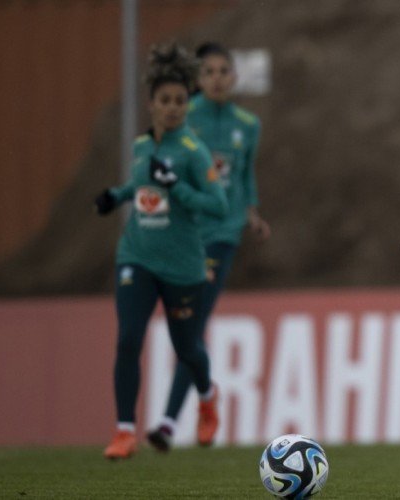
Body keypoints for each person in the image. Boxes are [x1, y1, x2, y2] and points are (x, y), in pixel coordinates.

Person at [94, 43, 229, 460]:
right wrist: (116, 197)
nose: (173, 108)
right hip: (136, 255)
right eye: (165, 101)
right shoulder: (140, 147)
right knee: (129, 339)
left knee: (187, 348)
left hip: (182, 266)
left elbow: (217, 206)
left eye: (180, 101)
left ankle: (207, 397)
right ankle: (123, 431)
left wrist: (176, 185)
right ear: (151, 103)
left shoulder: (193, 153)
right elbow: (140, 186)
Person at [146, 41, 270, 452]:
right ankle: (204, 396)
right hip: (183, 233)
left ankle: (166, 421)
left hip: (222, 233)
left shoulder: (246, 124)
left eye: (224, 71)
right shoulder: (183, 118)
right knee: (184, 327)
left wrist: (251, 213)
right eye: (209, 72)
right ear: (197, 79)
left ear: (234, 76)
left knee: (193, 325)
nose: (217, 79)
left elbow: (246, 176)